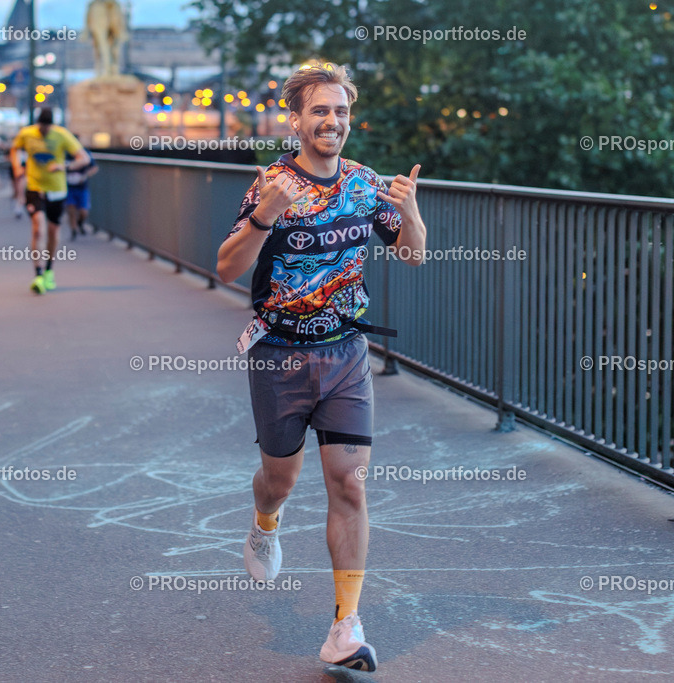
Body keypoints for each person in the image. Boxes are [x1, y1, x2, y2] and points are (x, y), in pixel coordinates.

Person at [215, 62, 427, 672]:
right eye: (320, 111)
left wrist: (411, 210)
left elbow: (413, 256)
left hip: (345, 354)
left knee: (348, 484)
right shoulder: (273, 185)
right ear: (296, 121)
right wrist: (265, 215)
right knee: (279, 478)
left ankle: (345, 627)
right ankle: (265, 520)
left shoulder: (364, 183)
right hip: (278, 357)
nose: (332, 121)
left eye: (341, 111)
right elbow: (226, 269)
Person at [10, 108, 90, 294]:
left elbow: (83, 158)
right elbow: (14, 149)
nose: (44, 131)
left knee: (53, 231)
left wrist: (64, 166)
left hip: (57, 190)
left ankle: (49, 270)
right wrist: (17, 167)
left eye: (47, 128)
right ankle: (38, 273)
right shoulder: (27, 133)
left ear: (51, 125)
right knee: (38, 228)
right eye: (41, 127)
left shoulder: (61, 135)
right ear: (37, 124)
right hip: (35, 188)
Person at [64, 142, 98, 239]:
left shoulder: (85, 153)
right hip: (69, 187)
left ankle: (80, 223)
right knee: (71, 209)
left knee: (83, 211)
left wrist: (85, 176)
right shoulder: (64, 154)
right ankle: (73, 230)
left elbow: (94, 167)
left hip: (82, 187)